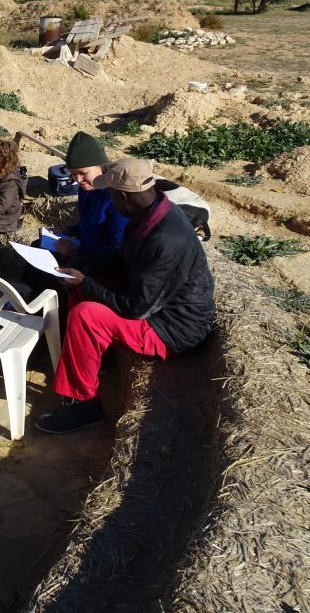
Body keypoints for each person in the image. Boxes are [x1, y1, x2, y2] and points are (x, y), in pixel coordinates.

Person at [35, 158, 215, 434]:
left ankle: (84, 404)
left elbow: (136, 308)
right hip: (155, 307)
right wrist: (85, 266)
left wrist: (87, 282)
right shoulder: (150, 213)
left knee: (87, 315)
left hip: (175, 330)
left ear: (121, 196)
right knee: (83, 291)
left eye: (108, 193)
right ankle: (94, 361)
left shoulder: (166, 240)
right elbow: (123, 260)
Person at [22, 132, 128, 303]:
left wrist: (77, 251)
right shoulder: (87, 189)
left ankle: (51, 316)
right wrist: (69, 231)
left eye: (83, 173)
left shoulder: (116, 199)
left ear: (101, 166)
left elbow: (116, 252)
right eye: (73, 174)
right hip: (85, 249)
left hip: (98, 262)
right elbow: (88, 222)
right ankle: (26, 300)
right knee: (37, 247)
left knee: (56, 276)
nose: (78, 179)